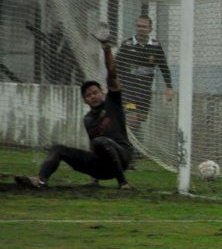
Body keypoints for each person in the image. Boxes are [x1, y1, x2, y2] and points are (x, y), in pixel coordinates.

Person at [15, 35, 134, 189]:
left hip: (123, 156)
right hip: (103, 167)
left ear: (102, 93)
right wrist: (94, 178)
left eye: (95, 92)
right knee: (58, 149)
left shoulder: (113, 103)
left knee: (101, 141)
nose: (93, 97)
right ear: (85, 100)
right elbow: (94, 146)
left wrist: (106, 48)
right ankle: (41, 180)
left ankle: (123, 182)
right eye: (89, 95)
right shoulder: (88, 119)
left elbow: (112, 73)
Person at [116, 15, 173, 137]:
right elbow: (116, 65)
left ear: (150, 29)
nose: (141, 29)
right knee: (132, 118)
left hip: (144, 91)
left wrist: (169, 87)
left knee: (139, 119)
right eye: (138, 26)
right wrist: (116, 81)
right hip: (128, 90)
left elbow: (164, 67)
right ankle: (128, 146)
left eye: (144, 27)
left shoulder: (156, 46)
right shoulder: (127, 44)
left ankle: (135, 145)